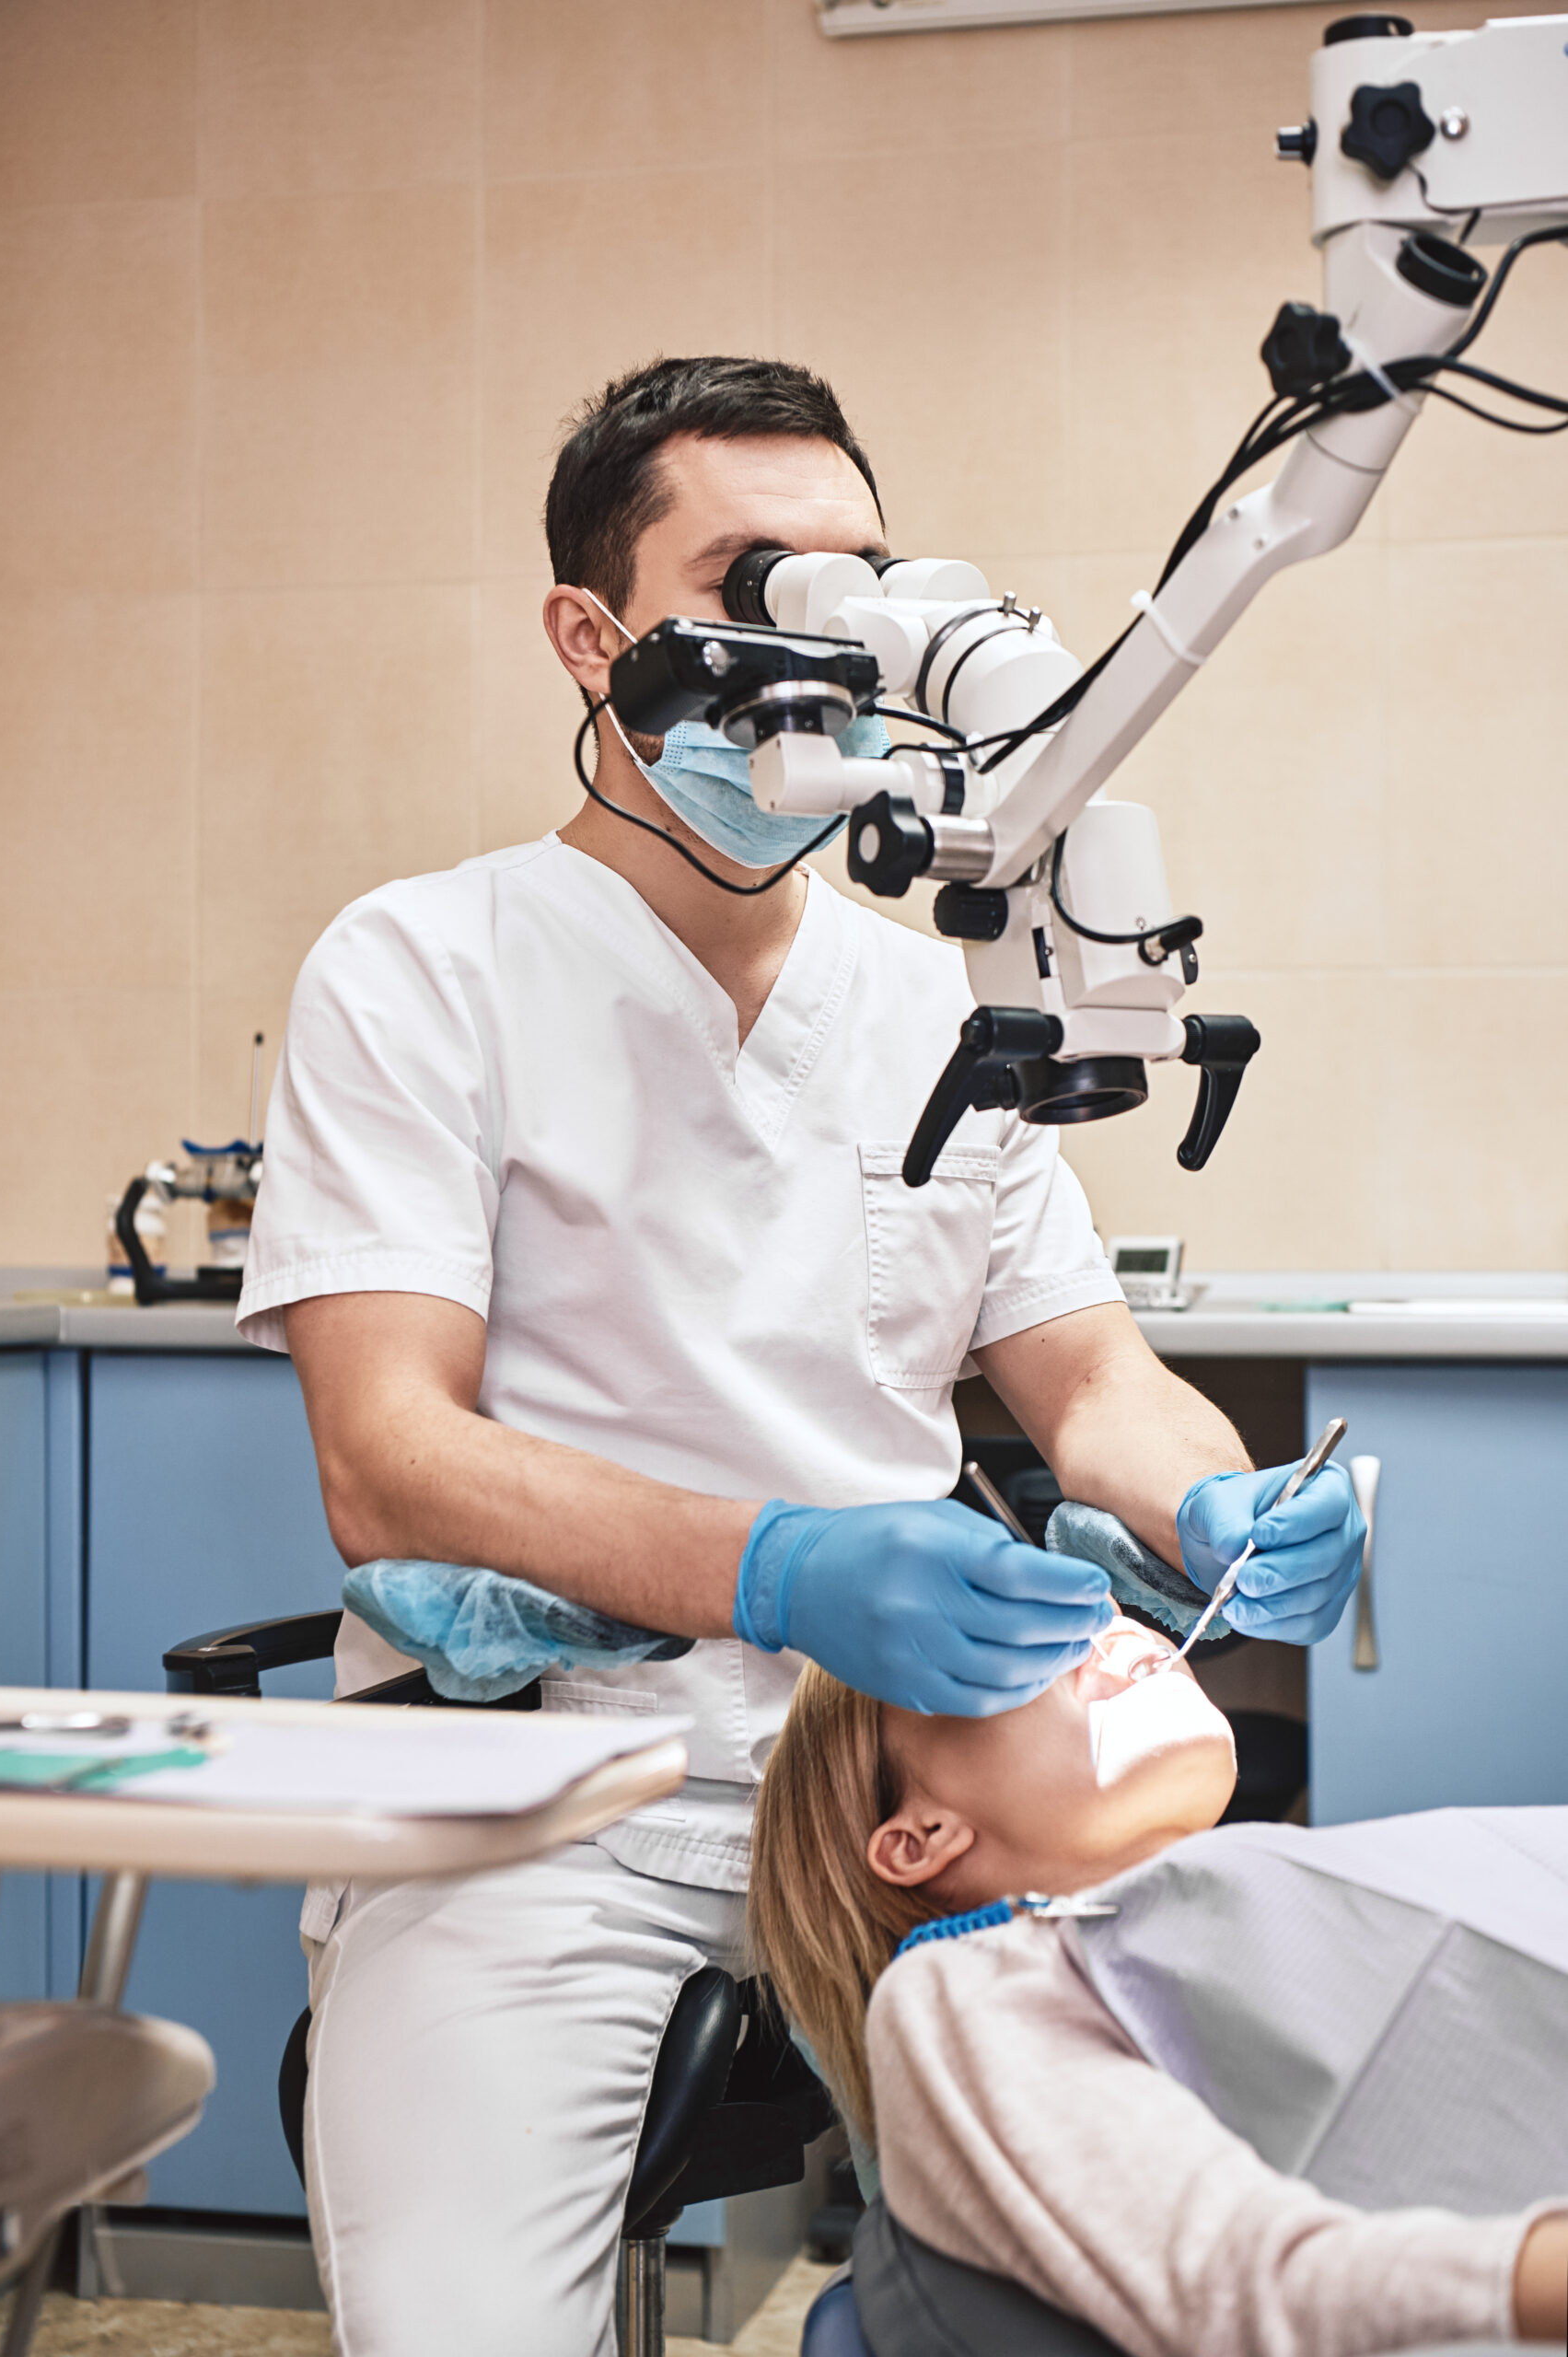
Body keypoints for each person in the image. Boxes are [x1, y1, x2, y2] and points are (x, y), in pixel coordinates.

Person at [237, 354, 1365, 2355]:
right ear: (593, 634)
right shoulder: (420, 965)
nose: (824, 634)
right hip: (549, 1800)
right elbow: (386, 1457)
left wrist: (1210, 1492)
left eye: (858, 576)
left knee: (1200, 2260)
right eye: (753, 572)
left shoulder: (937, 986)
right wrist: (776, 1562)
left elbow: (1084, 1381)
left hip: (900, 1785)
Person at [748, 1636, 1568, 2356]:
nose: (1107, 1633)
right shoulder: (972, 1983)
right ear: (919, 1838)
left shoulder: (1268, 1898)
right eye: (1013, 1656)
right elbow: (1250, 2289)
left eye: (1089, 1613)